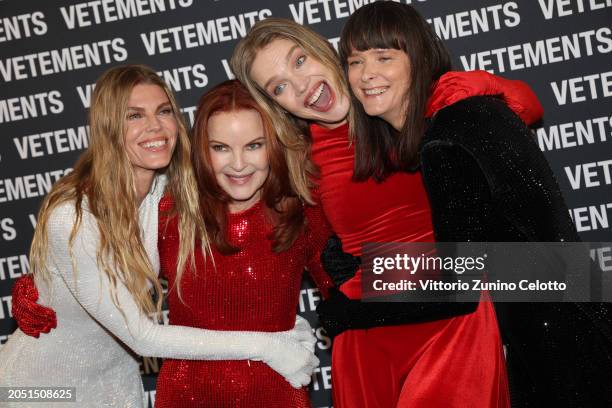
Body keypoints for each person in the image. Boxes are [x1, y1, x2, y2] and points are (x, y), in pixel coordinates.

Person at [230, 16, 545, 408]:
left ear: (325, 52)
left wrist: (479, 86)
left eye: (299, 61)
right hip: (368, 336)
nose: (300, 85)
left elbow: (527, 107)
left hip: (451, 322)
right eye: (279, 87)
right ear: (274, 104)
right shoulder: (301, 161)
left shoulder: (402, 102)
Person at [337, 2, 612, 407]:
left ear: (420, 58)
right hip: (563, 323)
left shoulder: (449, 133)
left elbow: (459, 284)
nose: (366, 74)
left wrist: (354, 306)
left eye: (384, 57)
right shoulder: (461, 114)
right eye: (355, 61)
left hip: (563, 346)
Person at [0, 65, 317, 407]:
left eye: (164, 111)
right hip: (40, 388)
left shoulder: (164, 194)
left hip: (116, 383)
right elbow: (144, 337)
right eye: (134, 115)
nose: (154, 126)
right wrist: (269, 345)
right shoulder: (73, 217)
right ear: (108, 127)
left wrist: (279, 319)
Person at [154, 79, 334, 407]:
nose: (238, 164)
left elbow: (352, 286)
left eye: (254, 145)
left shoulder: (300, 208)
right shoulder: (170, 213)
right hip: (185, 398)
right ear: (202, 150)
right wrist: (38, 292)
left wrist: (455, 272)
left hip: (277, 397)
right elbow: (104, 279)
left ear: (274, 145)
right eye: (221, 147)